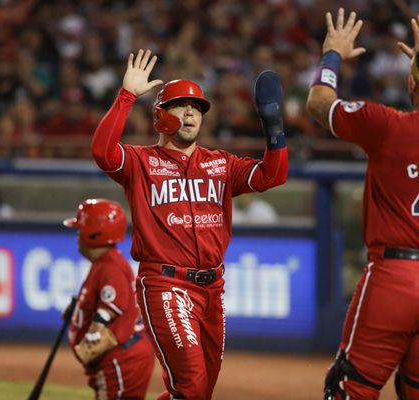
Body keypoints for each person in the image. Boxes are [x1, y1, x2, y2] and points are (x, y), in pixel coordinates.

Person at [306, 10, 419, 400]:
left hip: (397, 278)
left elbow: (319, 103)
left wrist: (331, 56)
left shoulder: (388, 125)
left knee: (348, 389)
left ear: (411, 80)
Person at [91, 49, 288, 399]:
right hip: (165, 285)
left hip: (212, 290)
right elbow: (104, 153)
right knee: (192, 386)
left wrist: (273, 127)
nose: (190, 113)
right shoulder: (141, 161)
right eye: (181, 106)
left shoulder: (221, 164)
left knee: (197, 392)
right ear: (159, 117)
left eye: (196, 108)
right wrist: (125, 97)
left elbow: (273, 174)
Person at [63, 198, 154, 400]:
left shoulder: (110, 265)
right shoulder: (105, 262)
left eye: (81, 228)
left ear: (95, 233)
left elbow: (112, 306)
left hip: (121, 359)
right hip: (120, 358)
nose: (78, 235)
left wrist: (96, 328)